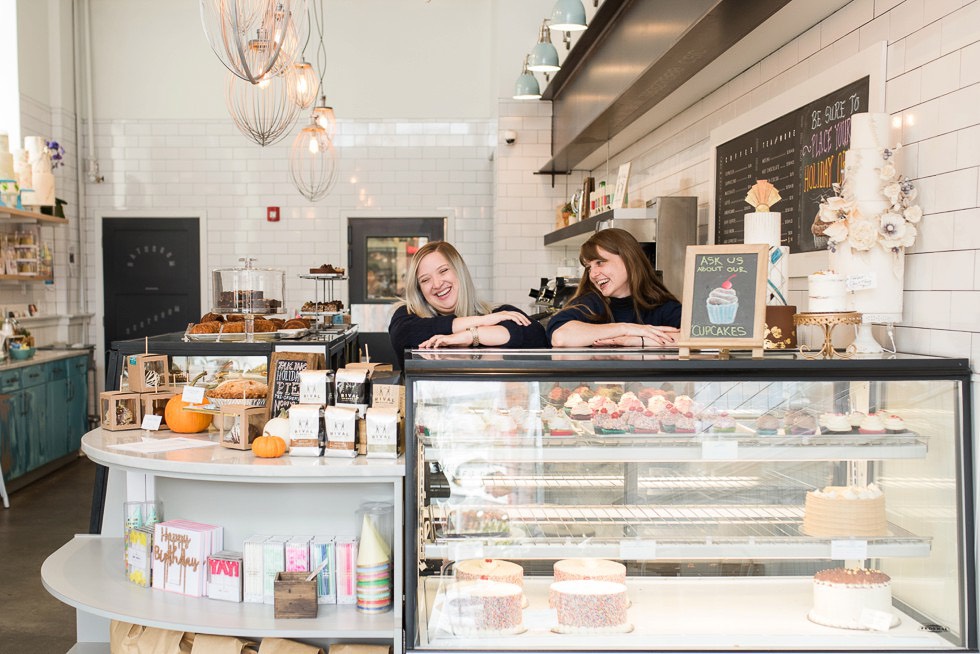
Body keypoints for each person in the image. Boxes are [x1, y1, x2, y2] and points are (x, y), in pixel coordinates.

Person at [388, 241, 548, 366]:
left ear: (460, 271)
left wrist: (471, 336)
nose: (437, 284)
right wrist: (483, 321)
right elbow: (405, 334)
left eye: (443, 271)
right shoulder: (406, 316)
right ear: (419, 289)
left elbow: (536, 336)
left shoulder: (497, 312)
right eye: (425, 280)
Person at [547, 228, 682, 348]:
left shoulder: (663, 307)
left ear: (629, 259)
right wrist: (625, 329)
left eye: (600, 262)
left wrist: (638, 340)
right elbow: (560, 337)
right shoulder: (590, 304)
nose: (593, 274)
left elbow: (697, 338)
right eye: (589, 268)